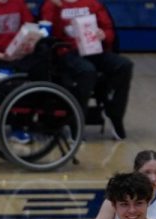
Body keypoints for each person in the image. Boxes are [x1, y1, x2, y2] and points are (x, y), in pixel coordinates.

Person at [40, 0, 133, 140]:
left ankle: (114, 114)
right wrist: (57, 10)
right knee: (87, 71)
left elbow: (109, 30)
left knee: (124, 65)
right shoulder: (51, 4)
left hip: (92, 48)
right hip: (66, 52)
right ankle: (75, 122)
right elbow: (46, 34)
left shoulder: (93, 4)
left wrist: (104, 34)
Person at [0, 0, 49, 82]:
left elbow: (29, 28)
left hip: (16, 53)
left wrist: (29, 45)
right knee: (7, 78)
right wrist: (1, 56)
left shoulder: (18, 2)